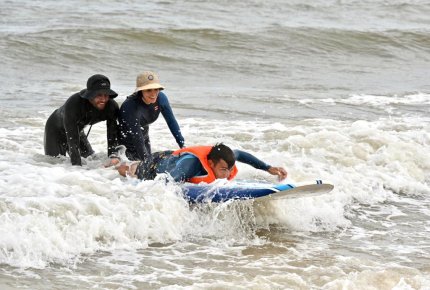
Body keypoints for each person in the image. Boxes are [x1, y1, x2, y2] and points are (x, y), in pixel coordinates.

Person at [115, 143, 288, 184]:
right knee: (132, 170)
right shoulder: (190, 166)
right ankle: (117, 165)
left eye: (229, 170)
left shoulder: (227, 158)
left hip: (173, 157)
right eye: (223, 170)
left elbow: (241, 154)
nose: (227, 174)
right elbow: (164, 184)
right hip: (157, 166)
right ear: (210, 163)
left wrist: (268, 168)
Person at [44, 74, 120, 166]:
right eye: (99, 95)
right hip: (55, 130)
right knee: (55, 164)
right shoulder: (74, 104)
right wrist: (77, 170)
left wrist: (113, 158)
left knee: (90, 158)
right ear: (90, 95)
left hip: (77, 130)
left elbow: (112, 135)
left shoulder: (111, 107)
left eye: (106, 95)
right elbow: (73, 142)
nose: (103, 99)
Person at [118, 71, 185, 164]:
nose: (153, 94)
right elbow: (136, 137)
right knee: (135, 170)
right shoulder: (130, 106)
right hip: (126, 143)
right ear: (140, 91)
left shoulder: (161, 98)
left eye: (156, 89)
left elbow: (171, 121)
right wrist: (147, 162)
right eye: (148, 90)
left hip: (144, 137)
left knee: (148, 164)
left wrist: (183, 146)